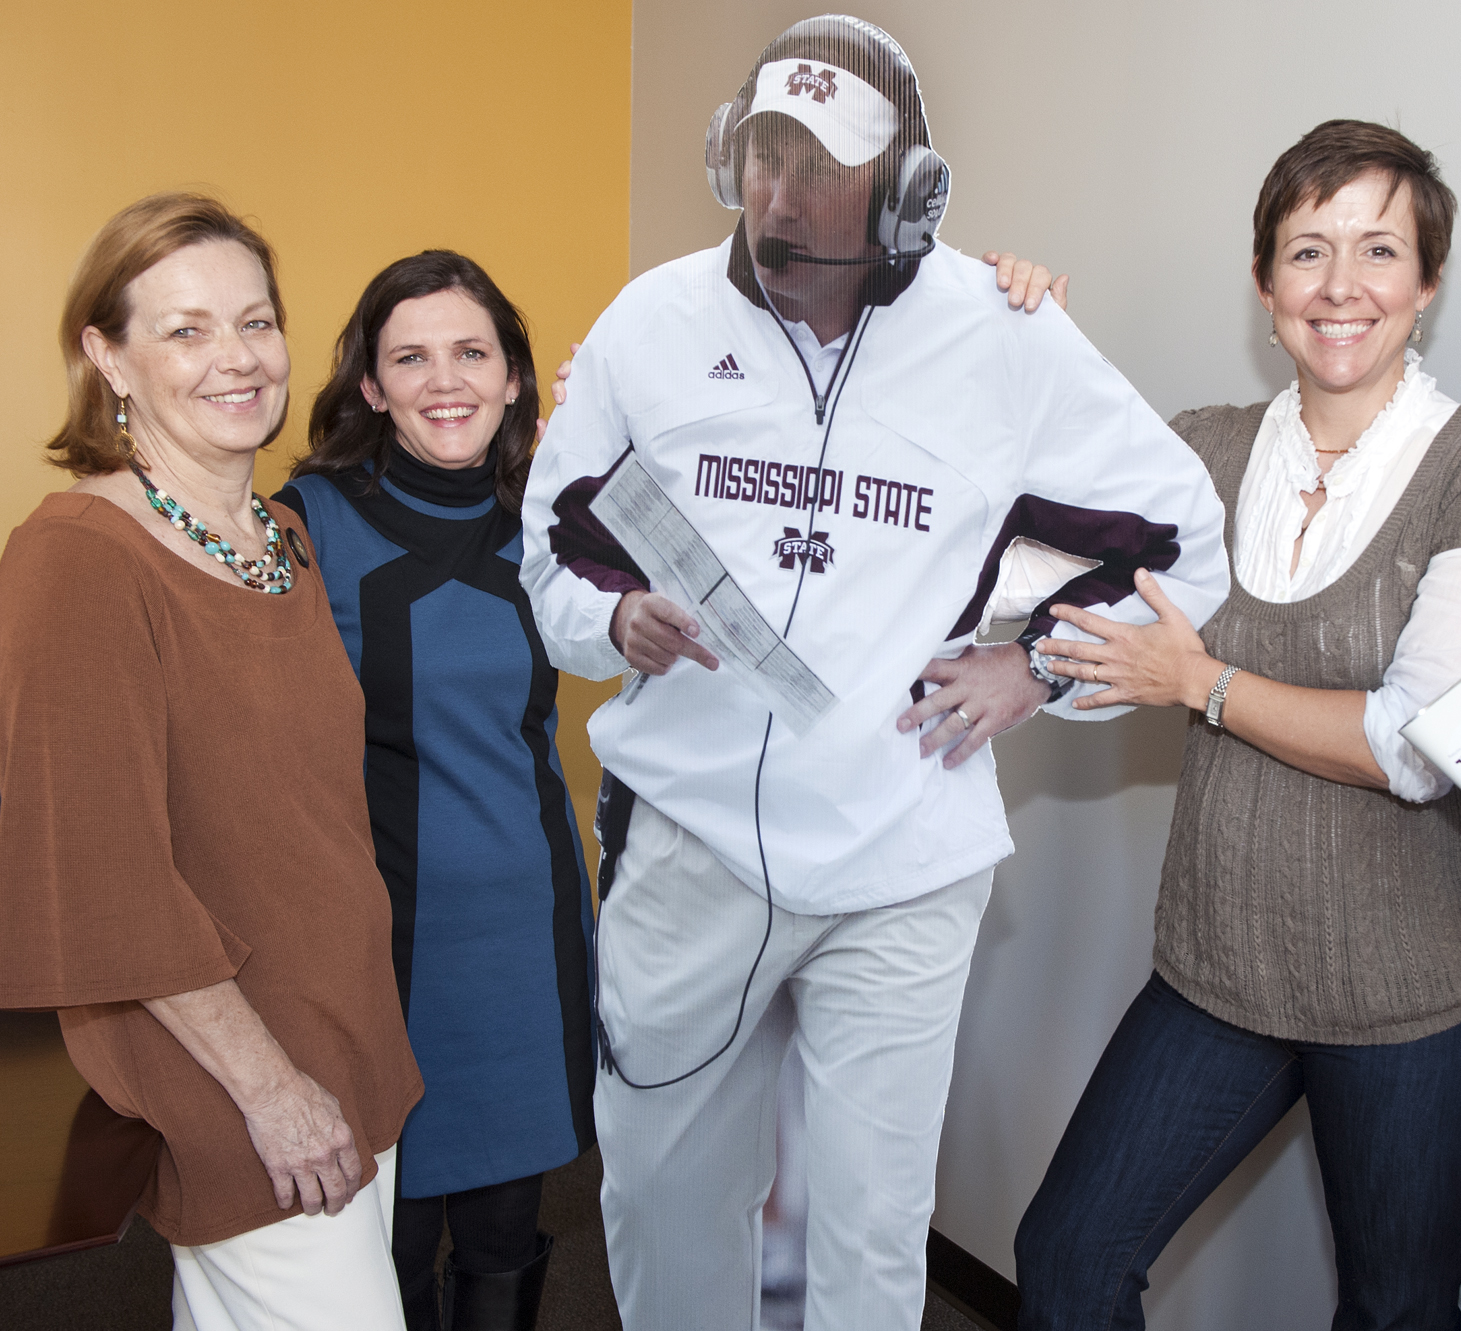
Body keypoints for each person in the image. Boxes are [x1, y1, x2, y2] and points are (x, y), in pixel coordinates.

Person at [518, 15, 1230, 1329]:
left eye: (820, 166)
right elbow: (556, 541)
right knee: (664, 1187)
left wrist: (1036, 667)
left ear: (908, 192)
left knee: (865, 1221)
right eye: (762, 157)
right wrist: (611, 624)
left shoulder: (1001, 332)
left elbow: (1177, 538)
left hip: (907, 851)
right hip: (692, 841)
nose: (780, 199)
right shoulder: (650, 321)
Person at [1010, 120, 1461, 1330]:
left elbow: (1420, 744)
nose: (1340, 286)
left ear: (1425, 282)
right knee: (1067, 1255)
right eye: (1306, 252)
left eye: (1377, 250)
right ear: (1264, 288)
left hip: (1426, 1000)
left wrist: (1198, 681)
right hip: (1220, 974)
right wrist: (1008, 331)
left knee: (1394, 1308)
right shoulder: (1197, 447)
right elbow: (1015, 541)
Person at [0, 192, 423, 1329]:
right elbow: (101, 875)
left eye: (255, 321)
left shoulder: (276, 538)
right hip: (240, 1067)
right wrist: (269, 1089)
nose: (235, 359)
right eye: (184, 330)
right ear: (108, 357)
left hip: (343, 1026)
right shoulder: (77, 561)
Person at [274, 250, 592, 1331]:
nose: (442, 379)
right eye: (408, 356)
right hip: (381, 953)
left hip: (526, 938)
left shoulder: (554, 521)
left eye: (471, 351)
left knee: (506, 1236)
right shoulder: (306, 524)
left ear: (512, 377)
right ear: (370, 386)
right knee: (384, 1250)